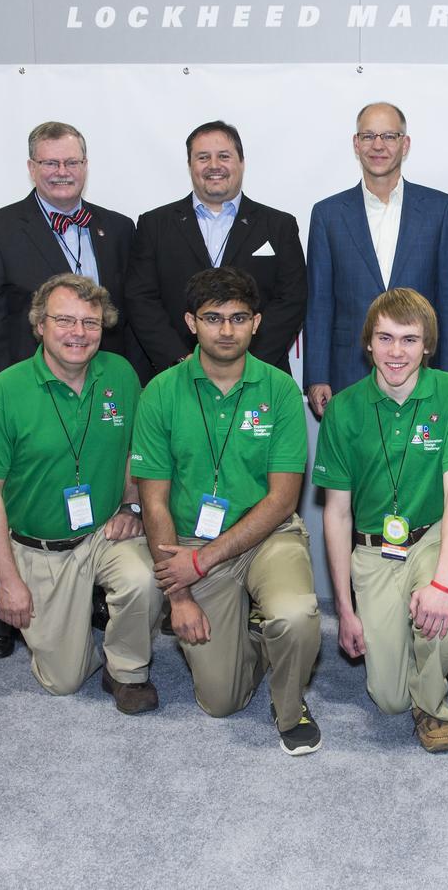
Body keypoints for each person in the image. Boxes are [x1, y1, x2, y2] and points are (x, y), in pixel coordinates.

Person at [0, 121, 137, 659]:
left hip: (94, 386)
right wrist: (9, 396)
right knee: (13, 501)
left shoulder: (117, 227)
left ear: (86, 166)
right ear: (32, 168)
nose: (62, 173)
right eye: (51, 163)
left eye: (72, 163)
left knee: (98, 496)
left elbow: (121, 318)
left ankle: (91, 601)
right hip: (32, 394)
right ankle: (2, 616)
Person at [130, 266, 321, 754]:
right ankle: (256, 636)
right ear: (191, 322)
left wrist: (204, 561)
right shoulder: (160, 392)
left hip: (267, 535)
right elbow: (153, 501)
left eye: (238, 318)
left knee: (295, 615)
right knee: (221, 701)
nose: (226, 330)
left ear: (256, 323)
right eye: (213, 318)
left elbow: (282, 499)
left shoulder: (279, 389)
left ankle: (290, 699)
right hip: (190, 545)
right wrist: (180, 597)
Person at [0, 274, 160, 713]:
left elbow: (137, 450)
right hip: (41, 548)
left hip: (103, 533)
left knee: (144, 577)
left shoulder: (121, 374)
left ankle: (125, 670)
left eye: (90, 323)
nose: (79, 333)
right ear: (40, 324)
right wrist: (8, 582)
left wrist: (131, 502)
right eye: (65, 320)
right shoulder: (4, 392)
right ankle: (78, 637)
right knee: (64, 680)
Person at [313, 288, 448, 751]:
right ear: (368, 343)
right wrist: (344, 610)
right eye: (385, 339)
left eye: (409, 340)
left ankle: (433, 706)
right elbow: (337, 515)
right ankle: (408, 653)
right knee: (387, 700)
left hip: (433, 535)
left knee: (446, 620)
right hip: (374, 549)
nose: (396, 352)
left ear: (427, 345)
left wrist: (444, 583)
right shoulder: (344, 409)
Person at [304, 102, 448, 416]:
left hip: (423, 373)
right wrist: (317, 374)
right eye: (368, 136)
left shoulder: (438, 209)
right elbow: (320, 303)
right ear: (356, 143)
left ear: (404, 144)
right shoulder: (327, 214)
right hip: (348, 372)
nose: (378, 145)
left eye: (389, 136)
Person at [126, 121, 306, 378]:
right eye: (203, 157)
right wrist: (182, 361)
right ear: (190, 165)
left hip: (259, 375)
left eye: (224, 156)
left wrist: (246, 362)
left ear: (241, 162)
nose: (214, 166)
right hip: (177, 376)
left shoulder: (278, 226)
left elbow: (291, 299)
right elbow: (141, 300)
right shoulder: (154, 225)